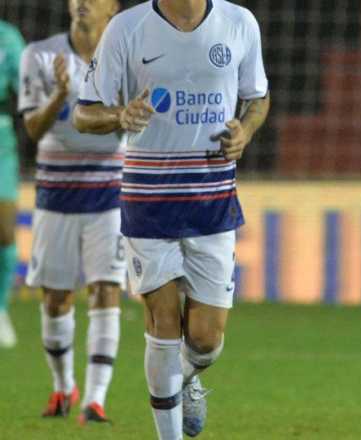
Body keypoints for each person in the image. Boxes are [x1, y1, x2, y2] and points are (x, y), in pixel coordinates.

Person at [73, 0, 270, 438]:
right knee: (162, 322)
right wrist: (118, 116)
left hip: (212, 199)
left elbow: (257, 97)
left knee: (205, 340)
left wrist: (246, 129)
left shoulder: (239, 23)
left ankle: (187, 378)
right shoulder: (127, 28)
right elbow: (84, 113)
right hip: (149, 197)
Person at [18, 0, 124, 423]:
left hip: (108, 196)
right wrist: (61, 92)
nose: (82, 3)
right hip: (56, 197)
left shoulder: (126, 57)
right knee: (57, 299)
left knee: (106, 289)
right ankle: (64, 387)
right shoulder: (40, 55)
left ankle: (95, 400)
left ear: (112, 9)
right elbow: (32, 129)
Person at [0, 19, 26, 349]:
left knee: (5, 230)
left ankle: (1, 310)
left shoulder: (8, 36)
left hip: (0, 138)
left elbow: (29, 89)